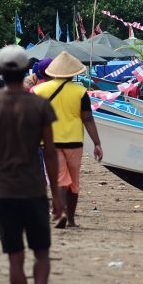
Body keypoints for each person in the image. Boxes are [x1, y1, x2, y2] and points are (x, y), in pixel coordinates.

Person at [0, 45, 62, 284]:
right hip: (33, 189)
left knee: (15, 258)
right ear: (26, 70)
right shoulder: (39, 106)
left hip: (3, 191)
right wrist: (56, 195)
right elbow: (50, 152)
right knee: (41, 253)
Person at [33, 51, 103, 229]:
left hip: (48, 143)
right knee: (74, 182)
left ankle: (61, 212)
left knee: (59, 180)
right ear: (74, 73)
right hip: (74, 142)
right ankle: (71, 219)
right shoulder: (81, 92)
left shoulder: (38, 90)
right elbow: (87, 119)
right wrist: (97, 143)